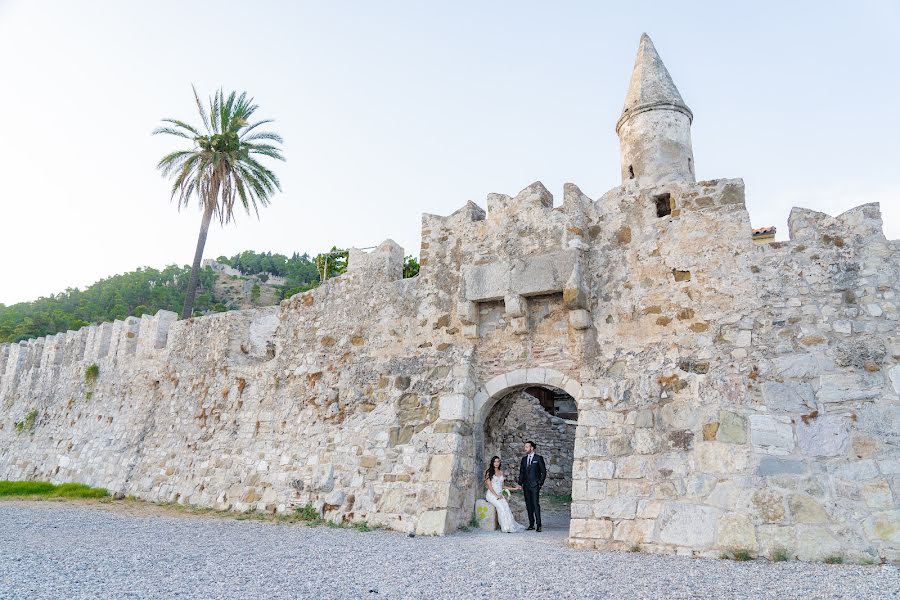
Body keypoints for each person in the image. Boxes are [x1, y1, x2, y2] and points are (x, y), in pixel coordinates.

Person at [483, 456, 525, 533]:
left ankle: (510, 526)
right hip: (491, 494)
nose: (496, 463)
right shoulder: (489, 472)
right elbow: (489, 486)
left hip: (499, 494)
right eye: (495, 461)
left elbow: (503, 487)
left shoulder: (501, 472)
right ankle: (505, 528)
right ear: (492, 462)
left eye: (498, 461)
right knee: (501, 507)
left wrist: (515, 488)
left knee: (506, 506)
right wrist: (496, 496)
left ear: (500, 463)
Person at [517, 440, 546, 532]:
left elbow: (544, 472)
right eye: (525, 447)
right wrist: (519, 483)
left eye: (526, 447)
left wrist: (539, 483)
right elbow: (521, 472)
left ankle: (539, 525)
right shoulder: (524, 459)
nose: (525, 448)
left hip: (535, 485)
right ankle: (531, 524)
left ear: (532, 448)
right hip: (526, 486)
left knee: (535, 504)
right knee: (528, 505)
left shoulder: (538, 458)